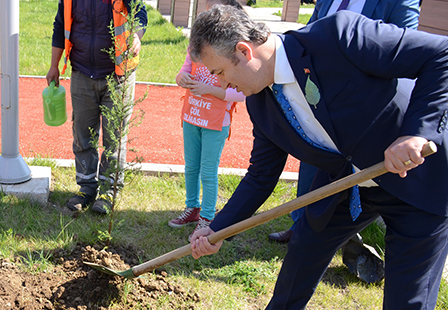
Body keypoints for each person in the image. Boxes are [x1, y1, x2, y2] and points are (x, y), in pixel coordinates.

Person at [189, 5, 448, 309]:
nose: (219, 84)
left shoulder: (338, 36)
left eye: (219, 72)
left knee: (407, 300)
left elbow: (439, 55)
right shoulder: (259, 104)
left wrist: (415, 134)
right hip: (345, 185)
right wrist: (219, 228)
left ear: (244, 52)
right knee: (300, 259)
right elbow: (261, 176)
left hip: (418, 180)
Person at [268, 0, 421, 245]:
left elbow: (405, 50)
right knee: (311, 163)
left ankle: (347, 235)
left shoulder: (400, 1)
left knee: (358, 179)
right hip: (317, 97)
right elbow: (304, 36)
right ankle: (302, 226)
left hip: (362, 109)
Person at [46, 0, 147, 214]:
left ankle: (108, 191)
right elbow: (59, 26)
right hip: (82, 72)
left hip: (118, 75)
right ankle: (86, 187)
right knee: (83, 134)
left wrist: (136, 36)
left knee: (114, 137)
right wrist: (54, 65)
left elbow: (140, 14)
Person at [169, 0, 246, 240]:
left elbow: (241, 93)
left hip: (216, 122)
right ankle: (192, 208)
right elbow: (183, 69)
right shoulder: (197, 46)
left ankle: (207, 217)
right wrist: (181, 78)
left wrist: (209, 90)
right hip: (192, 115)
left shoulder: (232, 52)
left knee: (208, 171)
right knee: (191, 166)